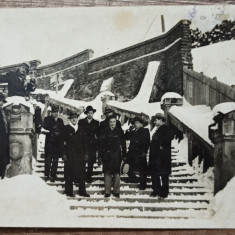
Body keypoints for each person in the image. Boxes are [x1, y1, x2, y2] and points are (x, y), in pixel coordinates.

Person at [62, 112, 90, 197]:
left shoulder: (81, 129)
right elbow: (61, 142)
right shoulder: (66, 128)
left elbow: (85, 142)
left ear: (77, 119)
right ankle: (69, 191)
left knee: (81, 173)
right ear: (70, 119)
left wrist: (86, 153)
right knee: (69, 173)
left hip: (80, 155)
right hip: (69, 155)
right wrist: (63, 154)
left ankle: (82, 191)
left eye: (75, 118)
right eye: (72, 118)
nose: (74, 119)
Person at [99, 115, 126, 198]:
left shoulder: (119, 131)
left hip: (116, 155)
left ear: (116, 122)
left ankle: (116, 191)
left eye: (114, 122)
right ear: (108, 123)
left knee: (117, 173)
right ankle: (107, 192)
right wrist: (100, 156)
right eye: (111, 122)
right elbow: (101, 145)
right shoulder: (104, 131)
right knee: (107, 172)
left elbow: (123, 144)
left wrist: (124, 155)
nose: (112, 123)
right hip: (106, 155)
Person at [148, 113, 174, 199]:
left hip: (163, 157)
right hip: (155, 157)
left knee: (164, 175)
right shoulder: (157, 129)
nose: (155, 121)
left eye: (156, 120)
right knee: (155, 174)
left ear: (161, 120)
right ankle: (156, 191)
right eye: (154, 120)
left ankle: (164, 193)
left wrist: (162, 144)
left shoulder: (166, 128)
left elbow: (171, 136)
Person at [124, 116, 150, 190]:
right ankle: (133, 178)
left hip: (140, 153)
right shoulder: (132, 131)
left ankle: (143, 185)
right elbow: (126, 137)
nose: (135, 124)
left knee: (142, 170)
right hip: (132, 153)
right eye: (135, 123)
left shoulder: (145, 130)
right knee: (127, 166)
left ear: (141, 124)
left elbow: (147, 142)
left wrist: (145, 151)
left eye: (137, 123)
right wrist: (129, 130)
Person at [43, 105, 64, 182]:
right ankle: (46, 174)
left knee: (55, 161)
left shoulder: (60, 121)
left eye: (57, 112)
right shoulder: (47, 119)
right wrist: (54, 129)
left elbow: (63, 131)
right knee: (48, 160)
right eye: (54, 112)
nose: (55, 114)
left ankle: (53, 175)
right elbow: (45, 127)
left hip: (57, 144)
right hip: (49, 144)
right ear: (51, 112)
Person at [78, 105, 99, 183]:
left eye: (91, 113)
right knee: (82, 161)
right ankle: (82, 177)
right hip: (83, 144)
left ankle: (89, 176)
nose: (90, 114)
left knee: (91, 162)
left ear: (93, 113)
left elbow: (98, 135)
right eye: (89, 113)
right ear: (86, 113)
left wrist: (96, 145)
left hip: (92, 145)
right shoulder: (81, 122)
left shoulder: (96, 123)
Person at [0, 93, 9, 179]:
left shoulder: (3, 111)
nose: (2, 103)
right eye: (0, 101)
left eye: (2, 101)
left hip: (4, 139)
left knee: (4, 158)